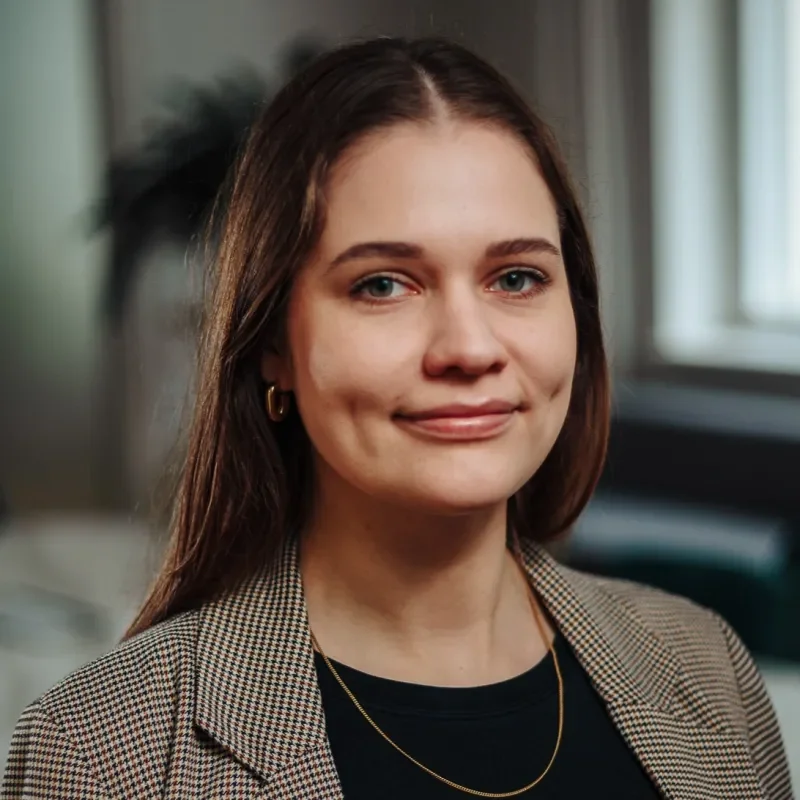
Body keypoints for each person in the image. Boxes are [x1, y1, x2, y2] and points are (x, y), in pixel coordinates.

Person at [2, 37, 792, 800]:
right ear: (272, 343)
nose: (468, 347)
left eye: (516, 278)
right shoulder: (102, 749)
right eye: (383, 284)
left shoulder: (707, 669)